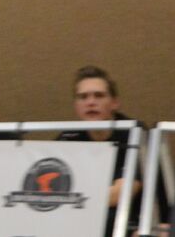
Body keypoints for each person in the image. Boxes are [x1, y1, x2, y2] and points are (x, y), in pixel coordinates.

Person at [55, 65, 142, 237]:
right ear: (76, 106)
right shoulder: (67, 138)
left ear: (115, 103)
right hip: (78, 224)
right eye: (83, 97)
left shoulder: (133, 133)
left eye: (99, 96)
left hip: (126, 225)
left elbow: (119, 195)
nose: (90, 102)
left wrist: (71, 198)